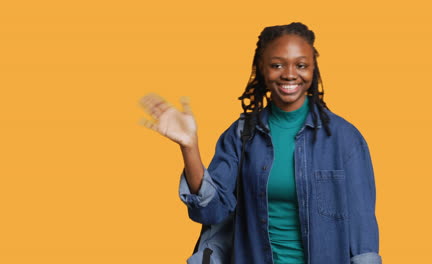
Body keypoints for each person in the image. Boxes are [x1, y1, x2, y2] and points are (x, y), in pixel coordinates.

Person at [139, 22, 382, 264]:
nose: (289, 73)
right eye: (277, 65)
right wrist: (189, 146)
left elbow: (363, 237)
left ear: (313, 70)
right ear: (262, 70)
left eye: (301, 65)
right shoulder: (241, 135)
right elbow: (210, 212)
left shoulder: (345, 138)